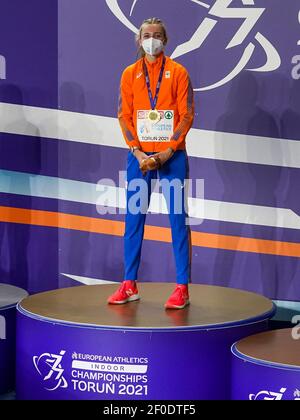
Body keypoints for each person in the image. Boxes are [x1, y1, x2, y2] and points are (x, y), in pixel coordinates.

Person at [107, 17, 194, 309]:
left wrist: (168, 151)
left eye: (157, 35)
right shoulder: (129, 74)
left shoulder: (178, 72)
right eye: (146, 35)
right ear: (138, 40)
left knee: (177, 221)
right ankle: (129, 283)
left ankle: (182, 287)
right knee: (134, 220)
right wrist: (138, 152)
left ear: (165, 40)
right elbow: (124, 115)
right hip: (139, 158)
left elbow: (186, 115)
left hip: (172, 158)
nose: (152, 40)